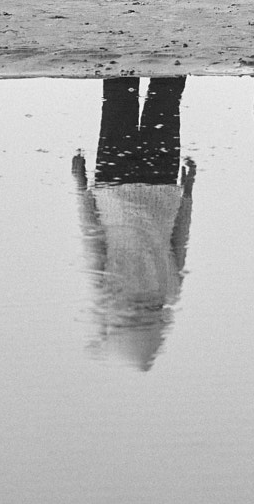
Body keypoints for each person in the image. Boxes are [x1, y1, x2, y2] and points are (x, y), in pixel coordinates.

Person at [72, 77, 195, 370]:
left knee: (157, 99)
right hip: (128, 182)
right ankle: (162, 41)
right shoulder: (115, 292)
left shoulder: (167, 293)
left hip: (150, 182)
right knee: (126, 99)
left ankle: (167, 42)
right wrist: (80, 185)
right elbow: (180, 239)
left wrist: (188, 192)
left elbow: (180, 238)